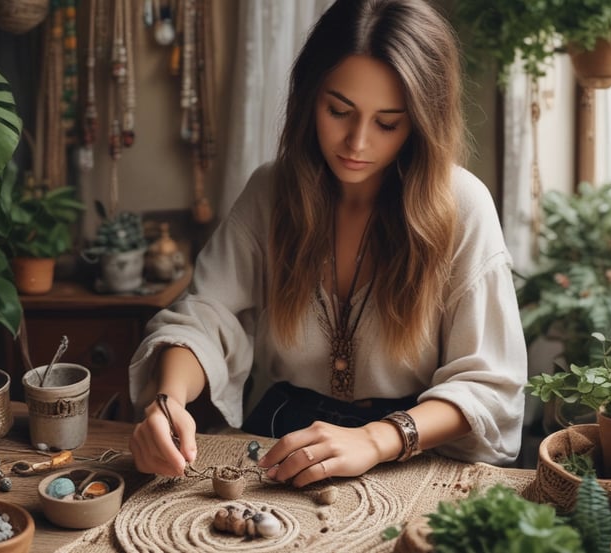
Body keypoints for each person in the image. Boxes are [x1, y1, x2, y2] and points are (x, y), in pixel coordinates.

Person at [128, 0, 527, 488]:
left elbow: (490, 384)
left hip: (410, 444)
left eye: (387, 123)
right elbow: (207, 314)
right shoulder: (270, 192)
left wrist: (378, 438)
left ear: (423, 121)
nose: (357, 142)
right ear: (308, 96)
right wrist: (169, 401)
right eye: (339, 110)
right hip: (279, 437)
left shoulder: (462, 205)